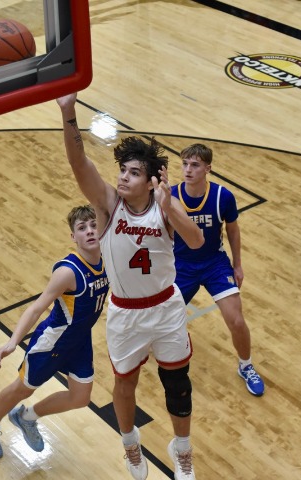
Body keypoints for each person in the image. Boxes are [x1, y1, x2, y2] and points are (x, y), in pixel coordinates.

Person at [57, 93, 204, 480]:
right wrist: (68, 111)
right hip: (126, 313)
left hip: (166, 307)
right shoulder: (108, 204)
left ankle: (182, 450)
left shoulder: (166, 206)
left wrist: (170, 208)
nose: (123, 176)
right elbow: (79, 162)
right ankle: (129, 443)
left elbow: (196, 242)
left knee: (178, 384)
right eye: (122, 169)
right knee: (125, 383)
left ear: (151, 181)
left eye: (134, 172)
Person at [0, 205, 109, 459]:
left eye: (93, 225)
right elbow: (36, 308)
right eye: (82, 228)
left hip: (80, 341)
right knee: (23, 389)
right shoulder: (67, 272)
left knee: (80, 398)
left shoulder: (107, 258)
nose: (90, 231)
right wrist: (13, 341)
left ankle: (26, 417)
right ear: (73, 237)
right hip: (53, 342)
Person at [171, 144, 265, 397]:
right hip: (181, 265)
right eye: (185, 164)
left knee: (236, 320)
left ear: (208, 168)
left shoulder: (223, 196)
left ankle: (246, 366)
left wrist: (238, 264)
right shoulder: (170, 196)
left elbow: (233, 230)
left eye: (195, 165)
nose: (188, 170)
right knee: (160, 317)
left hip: (214, 263)